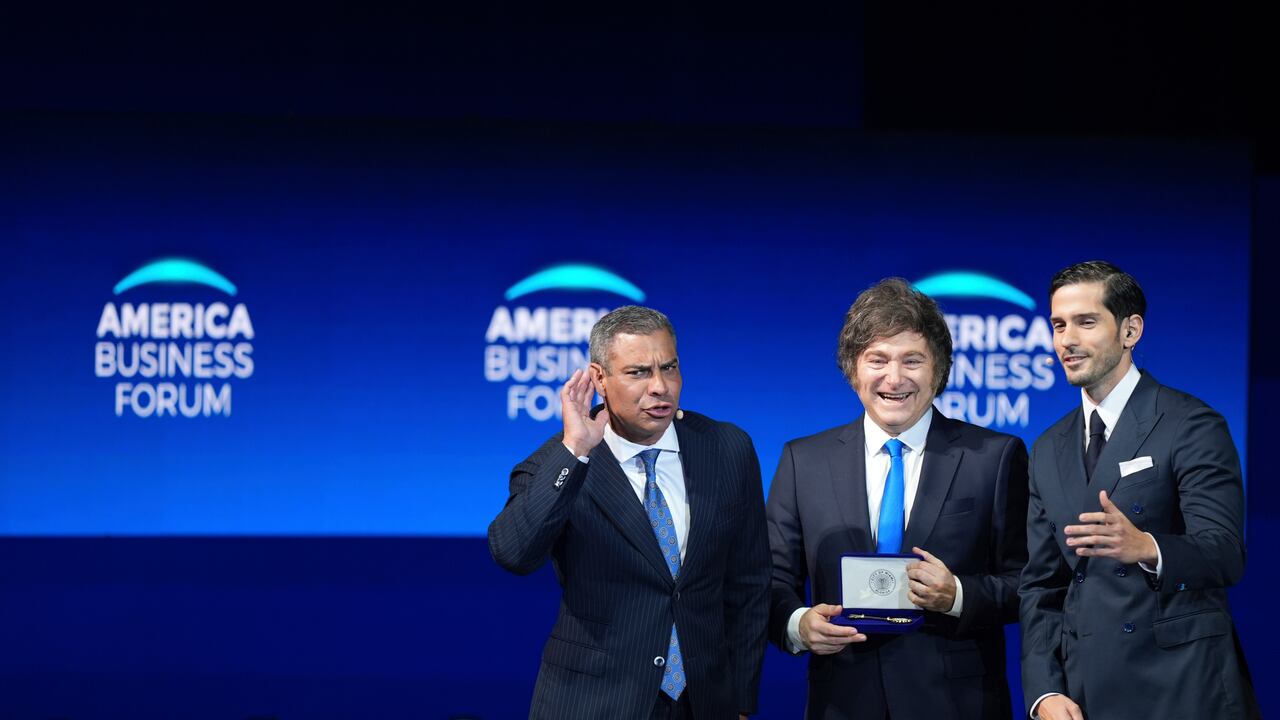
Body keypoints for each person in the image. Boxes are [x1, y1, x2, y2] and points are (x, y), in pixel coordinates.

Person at [489, 305, 770, 720]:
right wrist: (575, 451)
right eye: (638, 372)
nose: (660, 386)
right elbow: (513, 554)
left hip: (704, 703)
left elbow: (749, 584)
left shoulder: (728, 448)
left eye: (669, 368)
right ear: (599, 378)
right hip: (594, 704)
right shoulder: (560, 462)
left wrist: (740, 703)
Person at [767, 278, 1029, 719]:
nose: (894, 378)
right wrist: (798, 624)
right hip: (842, 703)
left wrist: (958, 594)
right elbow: (769, 581)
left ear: (938, 370)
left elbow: (1029, 583)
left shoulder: (994, 457)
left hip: (956, 705)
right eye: (878, 360)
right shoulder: (803, 461)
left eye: (912, 360)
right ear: (853, 369)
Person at [1019, 260, 1259, 720]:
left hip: (1183, 688)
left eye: (1086, 322)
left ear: (1130, 330)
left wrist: (1147, 547)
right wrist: (1044, 691)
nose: (1067, 340)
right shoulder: (1048, 447)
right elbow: (1041, 587)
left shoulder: (1191, 424)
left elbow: (1226, 553)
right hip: (1086, 692)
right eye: (1058, 325)